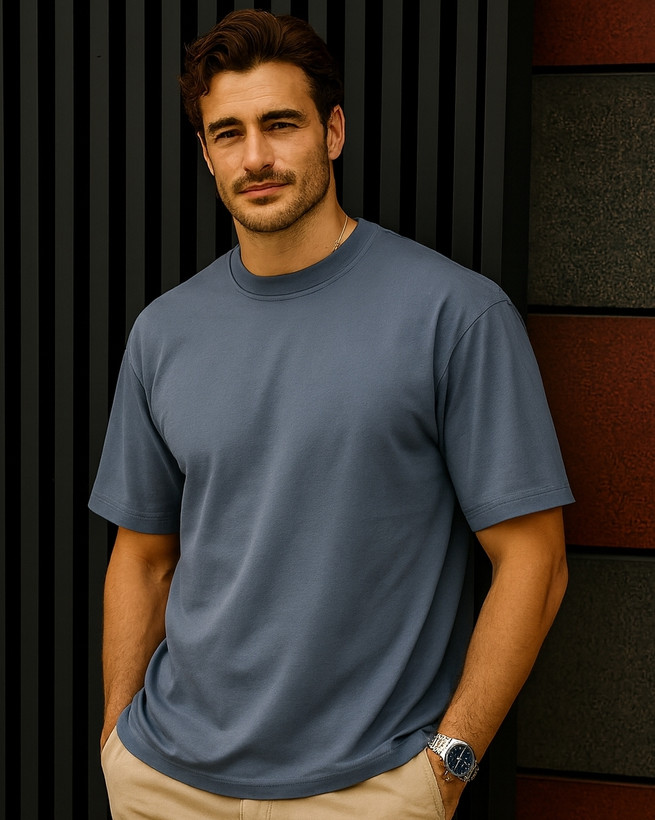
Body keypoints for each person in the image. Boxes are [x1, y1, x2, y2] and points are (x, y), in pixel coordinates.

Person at [91, 9, 573, 819]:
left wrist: (445, 768)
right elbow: (142, 558)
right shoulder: (163, 332)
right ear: (206, 152)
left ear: (333, 131)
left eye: (280, 124)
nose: (256, 156)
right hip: (164, 781)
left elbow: (534, 561)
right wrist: (117, 745)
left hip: (363, 792)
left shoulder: (453, 315)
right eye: (228, 133)